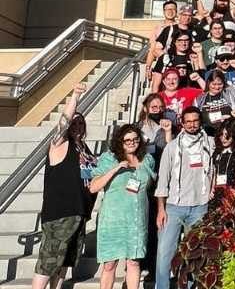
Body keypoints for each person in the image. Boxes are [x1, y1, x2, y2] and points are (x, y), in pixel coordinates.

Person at [32, 83, 97, 289]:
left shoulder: (84, 149)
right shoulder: (60, 143)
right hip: (60, 212)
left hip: (79, 212)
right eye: (74, 123)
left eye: (81, 123)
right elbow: (63, 122)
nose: (77, 126)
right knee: (48, 263)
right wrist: (75, 96)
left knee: (64, 263)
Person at [89, 125, 156, 289]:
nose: (132, 143)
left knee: (133, 263)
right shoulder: (109, 158)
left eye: (135, 139)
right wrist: (116, 168)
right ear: (120, 142)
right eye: (127, 140)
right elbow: (93, 187)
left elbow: (150, 184)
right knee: (109, 265)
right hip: (113, 221)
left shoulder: (147, 159)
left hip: (136, 220)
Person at [154, 107, 214, 289]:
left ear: (200, 121)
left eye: (195, 121)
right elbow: (163, 179)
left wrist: (212, 188)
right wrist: (161, 209)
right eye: (188, 121)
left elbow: (214, 168)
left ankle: (189, 286)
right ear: (182, 122)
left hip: (200, 206)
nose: (192, 125)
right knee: (165, 252)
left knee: (194, 252)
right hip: (174, 206)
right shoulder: (172, 147)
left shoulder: (210, 144)